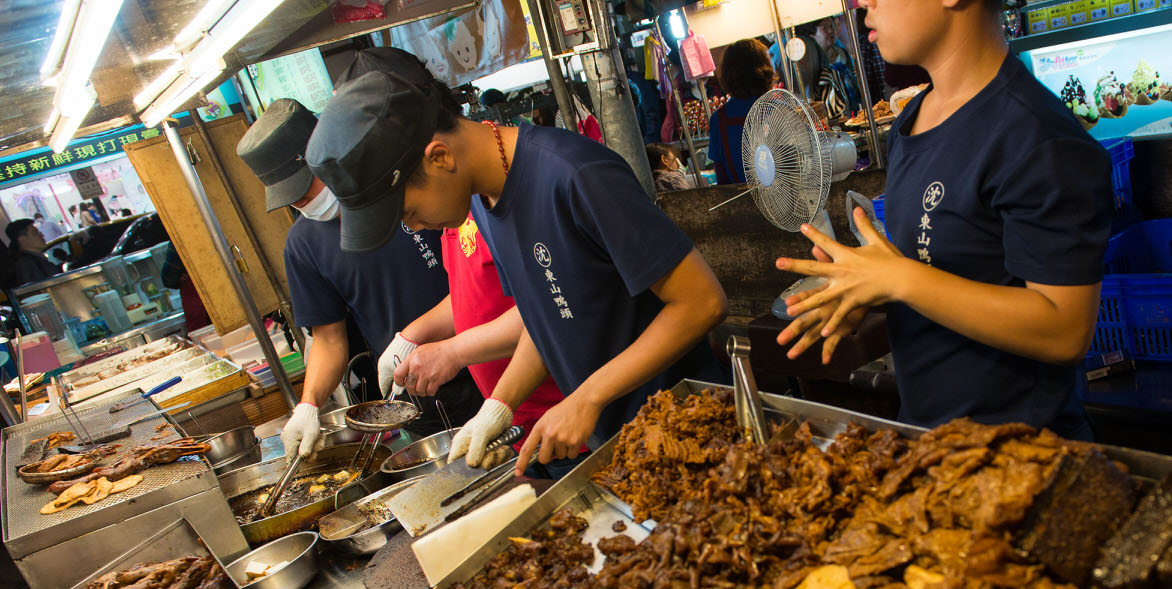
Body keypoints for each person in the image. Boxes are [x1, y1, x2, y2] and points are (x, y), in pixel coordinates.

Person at [304, 69, 727, 477]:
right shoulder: (482, 203)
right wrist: (500, 406)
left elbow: (702, 302)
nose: (413, 228)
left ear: (440, 157)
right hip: (624, 444)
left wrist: (587, 397)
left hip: (691, 426)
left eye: (410, 212)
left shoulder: (573, 174)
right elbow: (545, 318)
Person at [773, 0, 1112, 439]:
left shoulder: (1036, 136)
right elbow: (940, 272)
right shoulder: (911, 123)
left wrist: (898, 279)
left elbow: (1066, 330)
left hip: (1021, 455)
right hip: (929, 441)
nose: (863, 5)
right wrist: (864, 290)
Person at [236, 96, 484, 458]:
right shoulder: (304, 244)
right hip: (423, 395)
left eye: (309, 187)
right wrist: (308, 405)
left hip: (492, 352)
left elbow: (480, 281)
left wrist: (416, 336)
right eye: (295, 199)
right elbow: (327, 339)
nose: (306, 203)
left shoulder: (408, 185)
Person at [395, 212, 566, 441]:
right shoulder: (453, 214)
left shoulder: (492, 211)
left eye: (412, 211)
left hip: (560, 410)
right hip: (511, 417)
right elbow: (468, 294)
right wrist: (410, 337)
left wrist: (453, 353)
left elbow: (544, 307)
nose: (416, 226)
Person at [707, 39, 777, 184]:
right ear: (764, 70)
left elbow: (722, 179)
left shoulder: (718, 119)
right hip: (785, 201)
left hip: (740, 203)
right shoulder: (778, 109)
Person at [4, 219, 62, 286]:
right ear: (22, 239)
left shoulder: (36, 260)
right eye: (35, 233)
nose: (42, 235)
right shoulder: (27, 264)